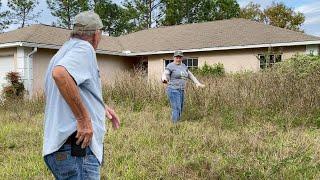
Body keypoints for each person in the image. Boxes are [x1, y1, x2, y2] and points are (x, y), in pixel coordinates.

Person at [43, 11, 120, 179]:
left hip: (62, 150)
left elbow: (70, 87)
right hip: (77, 150)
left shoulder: (61, 53)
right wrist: (84, 120)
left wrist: (100, 106)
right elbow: (60, 75)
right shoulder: (85, 49)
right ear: (96, 34)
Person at [162, 51, 205, 123]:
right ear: (174, 57)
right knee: (176, 108)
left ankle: (177, 123)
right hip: (173, 90)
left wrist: (197, 83)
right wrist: (164, 79)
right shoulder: (170, 65)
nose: (178, 59)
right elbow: (165, 73)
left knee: (180, 108)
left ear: (182, 58)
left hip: (181, 90)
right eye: (177, 57)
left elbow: (190, 75)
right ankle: (174, 125)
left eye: (180, 57)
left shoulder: (184, 66)